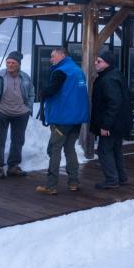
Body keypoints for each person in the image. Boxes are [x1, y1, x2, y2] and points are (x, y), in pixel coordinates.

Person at [35, 47, 88, 195]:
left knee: (54, 149)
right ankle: (73, 182)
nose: (51, 59)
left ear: (62, 55)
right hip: (77, 119)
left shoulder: (61, 71)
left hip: (62, 118)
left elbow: (53, 89)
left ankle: (51, 185)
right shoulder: (78, 71)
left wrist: (42, 93)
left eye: (53, 56)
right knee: (70, 148)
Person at [0, 51, 35, 179]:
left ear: (19, 64)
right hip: (2, 113)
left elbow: (32, 93)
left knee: (18, 141)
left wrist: (28, 108)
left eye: (13, 63)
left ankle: (13, 166)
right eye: (8, 62)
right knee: (0, 140)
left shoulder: (25, 77)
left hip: (21, 114)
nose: (10, 65)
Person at [90, 49, 133, 189]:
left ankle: (111, 179)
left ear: (107, 63)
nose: (95, 63)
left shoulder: (108, 79)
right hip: (118, 123)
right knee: (116, 150)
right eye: (96, 60)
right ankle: (121, 177)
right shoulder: (113, 75)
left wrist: (106, 125)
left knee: (104, 150)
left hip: (112, 124)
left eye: (99, 61)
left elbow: (113, 103)